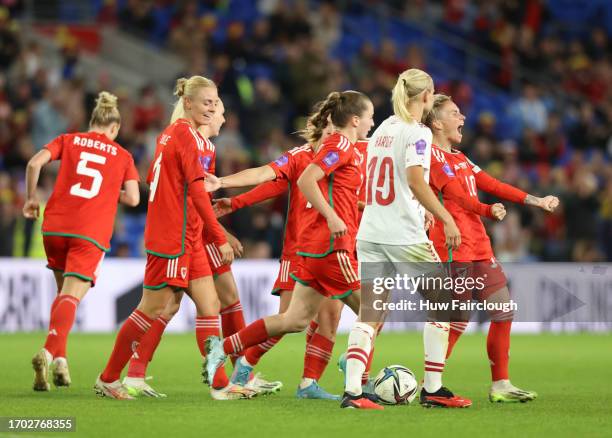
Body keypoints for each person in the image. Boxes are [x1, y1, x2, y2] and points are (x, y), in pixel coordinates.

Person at [202, 90, 374, 401]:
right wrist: (228, 189)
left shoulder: (351, 154)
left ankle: (298, 378)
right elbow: (270, 179)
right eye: (329, 131)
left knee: (302, 320)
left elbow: (346, 196)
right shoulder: (311, 154)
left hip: (322, 248)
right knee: (371, 311)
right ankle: (356, 379)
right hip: (316, 247)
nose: (333, 136)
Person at [121, 99, 277, 399]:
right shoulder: (197, 145)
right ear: (205, 115)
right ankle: (235, 374)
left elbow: (198, 195)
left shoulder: (191, 143)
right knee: (194, 302)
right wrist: (219, 234)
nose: (223, 116)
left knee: (180, 304)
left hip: (194, 231)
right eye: (220, 110)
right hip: (192, 234)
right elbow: (195, 197)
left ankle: (138, 372)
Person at [94, 76, 233, 400]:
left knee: (210, 304)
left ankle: (221, 384)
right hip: (173, 236)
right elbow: (196, 193)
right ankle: (109, 377)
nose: (212, 109)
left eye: (215, 103)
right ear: (188, 103)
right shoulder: (186, 136)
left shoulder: (177, 137)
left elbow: (159, 179)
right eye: (206, 102)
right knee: (152, 307)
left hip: (189, 236)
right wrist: (220, 236)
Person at [343, 68, 471, 409]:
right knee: (445, 301)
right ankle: (433, 388)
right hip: (402, 233)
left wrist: (418, 205)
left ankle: (353, 392)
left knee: (369, 313)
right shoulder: (418, 132)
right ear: (427, 96)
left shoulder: (385, 127)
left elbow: (388, 178)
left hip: (370, 231)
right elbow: (415, 180)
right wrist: (445, 217)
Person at [424, 93, 559, 402]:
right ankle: (431, 383)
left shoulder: (460, 157)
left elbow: (493, 184)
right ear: (436, 122)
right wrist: (486, 210)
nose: (462, 118)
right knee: (457, 317)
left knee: (503, 310)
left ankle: (501, 384)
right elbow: (457, 196)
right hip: (451, 246)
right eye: (454, 113)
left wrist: (536, 200)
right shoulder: (429, 156)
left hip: (479, 245)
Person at [25, 91, 140, 392]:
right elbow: (133, 197)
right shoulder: (123, 156)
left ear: (91, 123)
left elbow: (34, 164)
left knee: (63, 295)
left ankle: (61, 360)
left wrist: (30, 199)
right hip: (89, 232)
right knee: (72, 298)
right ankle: (49, 352)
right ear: (115, 129)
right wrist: (109, 190)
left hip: (54, 227)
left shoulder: (69, 139)